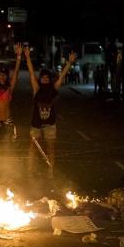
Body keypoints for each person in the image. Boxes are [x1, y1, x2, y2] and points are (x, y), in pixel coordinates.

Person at [24, 46, 77, 179]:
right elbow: (31, 74)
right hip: (36, 124)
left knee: (51, 148)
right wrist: (28, 58)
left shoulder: (54, 89)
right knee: (33, 148)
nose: (45, 79)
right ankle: (30, 171)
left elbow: (62, 76)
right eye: (43, 78)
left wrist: (69, 63)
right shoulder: (37, 89)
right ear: (40, 79)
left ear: (49, 79)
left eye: (47, 77)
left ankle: (50, 170)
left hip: (50, 124)